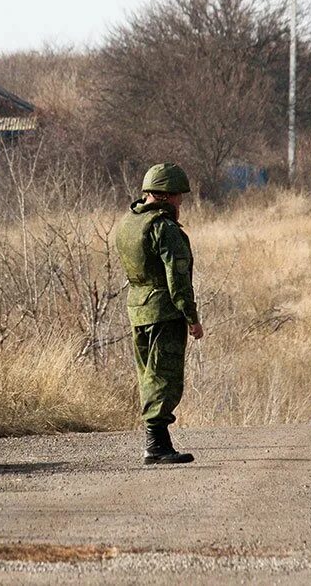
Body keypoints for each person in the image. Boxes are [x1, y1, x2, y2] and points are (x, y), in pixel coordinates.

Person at [114, 162, 204, 465]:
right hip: (164, 311)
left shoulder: (128, 222)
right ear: (165, 196)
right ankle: (156, 446)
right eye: (178, 196)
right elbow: (177, 278)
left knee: (148, 374)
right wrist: (191, 318)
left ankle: (158, 442)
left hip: (137, 308)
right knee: (164, 375)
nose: (181, 202)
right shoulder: (163, 228)